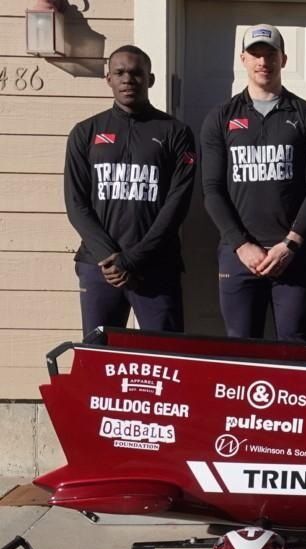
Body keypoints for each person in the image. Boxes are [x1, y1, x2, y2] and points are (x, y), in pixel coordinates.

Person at [201, 24, 306, 341]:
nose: (263, 62)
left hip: (293, 255)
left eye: (270, 54)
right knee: (242, 348)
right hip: (239, 255)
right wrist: (241, 245)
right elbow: (212, 190)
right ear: (243, 59)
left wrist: (291, 243)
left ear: (283, 59)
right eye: (256, 54)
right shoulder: (220, 117)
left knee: (295, 345)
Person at [64, 45, 196, 335]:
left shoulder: (175, 132)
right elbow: (76, 203)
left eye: (136, 73)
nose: (128, 79)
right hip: (99, 267)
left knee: (166, 359)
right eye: (120, 72)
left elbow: (177, 204)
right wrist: (110, 257)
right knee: (99, 360)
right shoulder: (85, 132)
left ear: (150, 79)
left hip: (156, 267)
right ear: (108, 78)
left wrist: (132, 259)